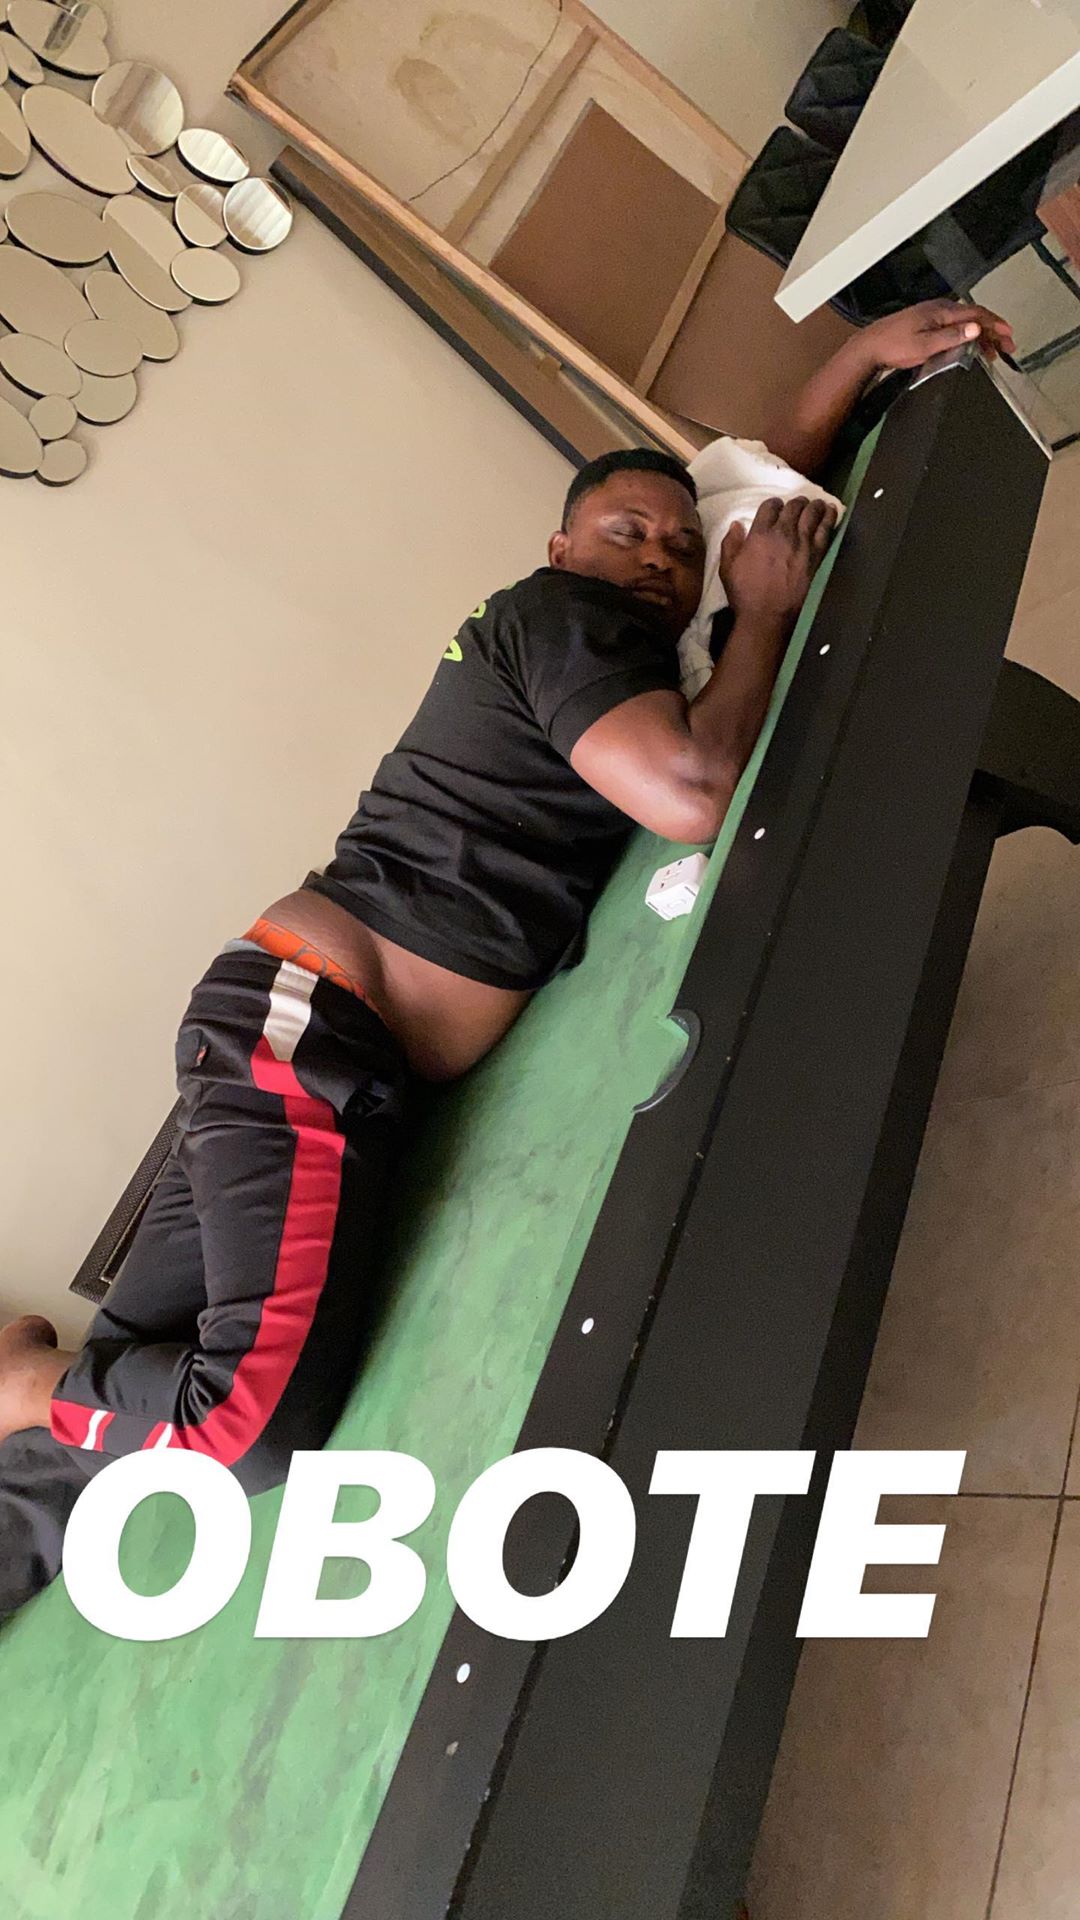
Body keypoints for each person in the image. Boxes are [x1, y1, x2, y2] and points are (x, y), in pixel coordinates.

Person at [0, 298, 1012, 1623]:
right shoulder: (563, 617)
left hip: (295, 1022)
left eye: (677, 549)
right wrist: (764, 613)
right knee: (241, 1429)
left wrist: (863, 356)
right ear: (561, 546)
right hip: (315, 1036)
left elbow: (740, 485)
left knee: (131, 1380)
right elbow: (693, 791)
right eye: (625, 532)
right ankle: (21, 1383)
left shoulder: (616, 630)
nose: (660, 558)